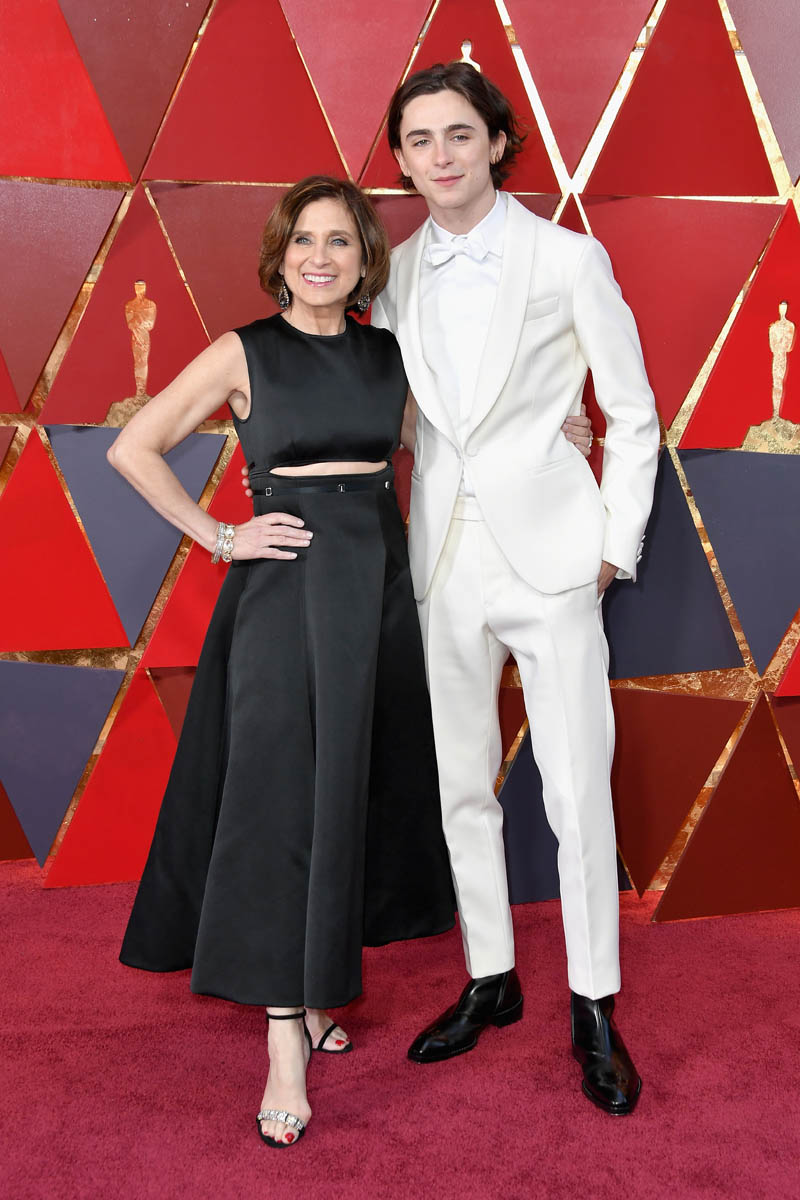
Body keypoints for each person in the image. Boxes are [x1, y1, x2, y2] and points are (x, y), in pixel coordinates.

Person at [110, 176, 458, 1149]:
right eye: (304, 240)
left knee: (346, 794)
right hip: (284, 598)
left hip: (376, 596)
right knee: (279, 808)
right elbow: (135, 447)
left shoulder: (387, 355)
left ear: (363, 259)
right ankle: (282, 1044)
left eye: (340, 241)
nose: (320, 257)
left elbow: (443, 443)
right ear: (280, 254)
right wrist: (221, 537)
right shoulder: (244, 351)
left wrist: (556, 431)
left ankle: (311, 996)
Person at [369, 63, 660, 1115]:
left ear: (496, 142)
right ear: (402, 162)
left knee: (576, 789)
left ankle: (593, 1005)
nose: (440, 155)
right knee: (461, 784)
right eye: (418, 140)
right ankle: (489, 975)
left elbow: (631, 411)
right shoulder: (393, 274)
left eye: (459, 133)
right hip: (442, 564)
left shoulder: (569, 258)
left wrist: (611, 548)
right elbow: (408, 419)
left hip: (553, 561)